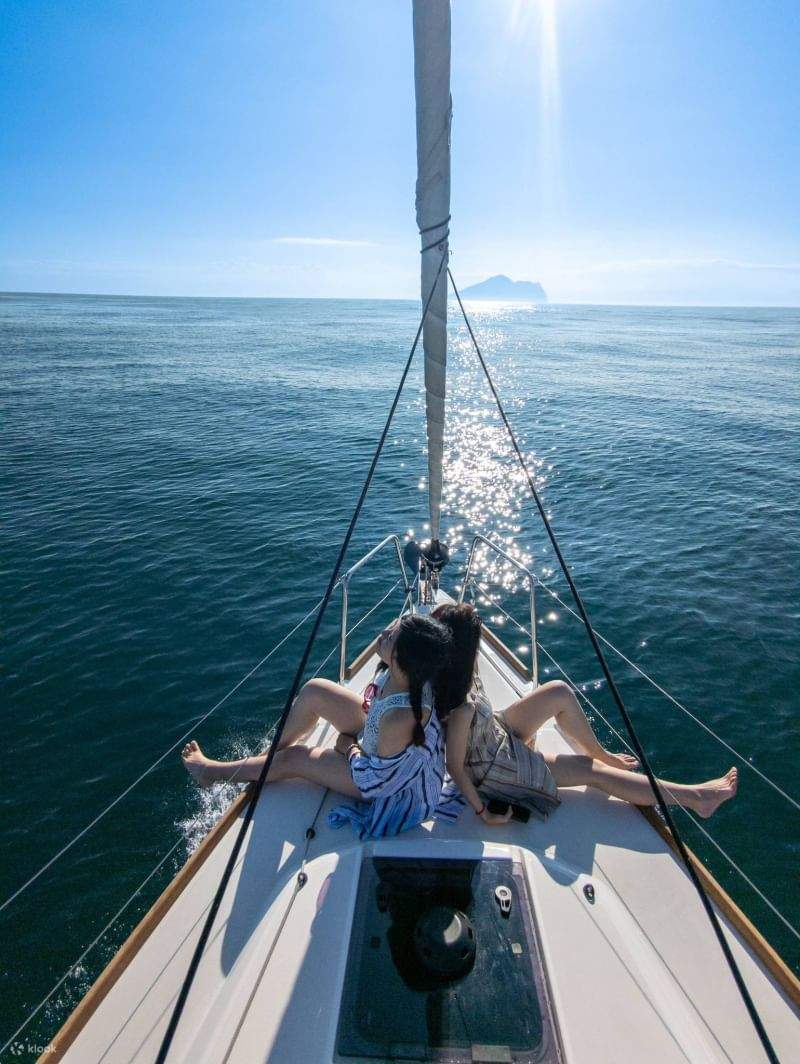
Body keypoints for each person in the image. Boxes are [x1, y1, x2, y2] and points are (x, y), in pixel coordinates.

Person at [433, 602, 738, 824]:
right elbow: (456, 768)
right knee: (590, 770)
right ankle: (697, 798)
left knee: (558, 691)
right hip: (494, 766)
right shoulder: (461, 706)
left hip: (494, 731)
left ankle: (604, 753)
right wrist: (483, 813)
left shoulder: (455, 668)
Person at [182, 612, 460, 838]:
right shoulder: (408, 675)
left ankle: (211, 772)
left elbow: (376, 781)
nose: (384, 633)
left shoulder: (399, 719)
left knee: (296, 759)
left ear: (405, 660)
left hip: (390, 790)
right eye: (393, 627)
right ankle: (266, 762)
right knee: (315, 691)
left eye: (392, 637)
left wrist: (350, 749)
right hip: (377, 740)